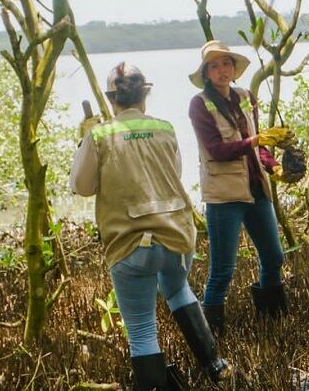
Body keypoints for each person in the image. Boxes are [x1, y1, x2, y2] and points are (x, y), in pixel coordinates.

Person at [70, 62, 230, 390]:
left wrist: (85, 139)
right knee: (177, 289)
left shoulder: (99, 135)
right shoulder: (165, 128)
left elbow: (82, 186)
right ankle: (215, 365)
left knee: (142, 330)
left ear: (110, 97)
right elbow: (173, 173)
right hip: (177, 238)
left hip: (130, 247)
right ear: (146, 94)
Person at [187, 40, 293, 335]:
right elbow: (216, 150)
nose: (222, 70)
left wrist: (276, 168)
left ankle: (273, 320)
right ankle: (213, 337)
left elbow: (257, 146)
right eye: (214, 65)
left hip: (256, 189)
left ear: (234, 69)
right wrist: (258, 141)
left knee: (274, 257)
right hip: (224, 196)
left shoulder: (246, 96)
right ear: (206, 73)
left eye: (227, 64)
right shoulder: (199, 104)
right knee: (222, 270)